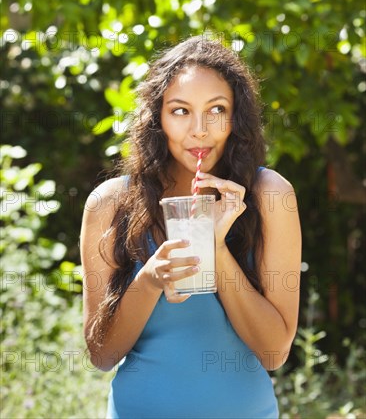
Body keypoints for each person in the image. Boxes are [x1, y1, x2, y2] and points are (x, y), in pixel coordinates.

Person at [80, 36, 302, 419]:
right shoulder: (110, 204)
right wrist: (149, 280)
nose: (199, 130)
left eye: (216, 109)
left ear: (235, 118)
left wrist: (215, 250)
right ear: (157, 118)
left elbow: (273, 352)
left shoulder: (269, 196)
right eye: (180, 111)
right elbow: (102, 354)